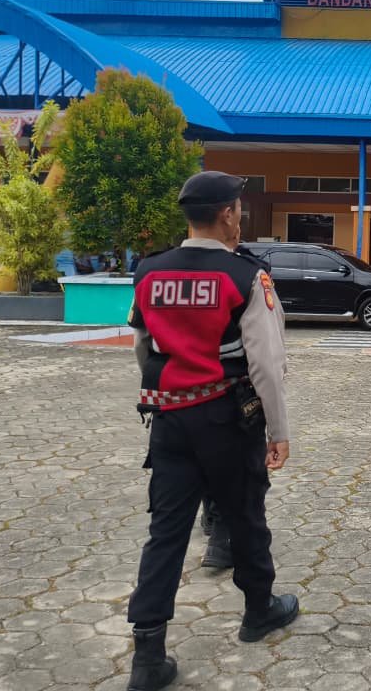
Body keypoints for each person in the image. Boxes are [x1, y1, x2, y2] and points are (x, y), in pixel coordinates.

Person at [123, 171, 298, 691]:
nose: (241, 215)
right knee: (245, 515)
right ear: (226, 214)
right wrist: (279, 430)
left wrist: (170, 392)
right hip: (228, 419)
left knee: (166, 531)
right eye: (239, 207)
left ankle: (148, 652)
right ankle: (258, 610)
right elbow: (266, 364)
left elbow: (143, 347)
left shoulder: (150, 272)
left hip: (170, 422)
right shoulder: (244, 276)